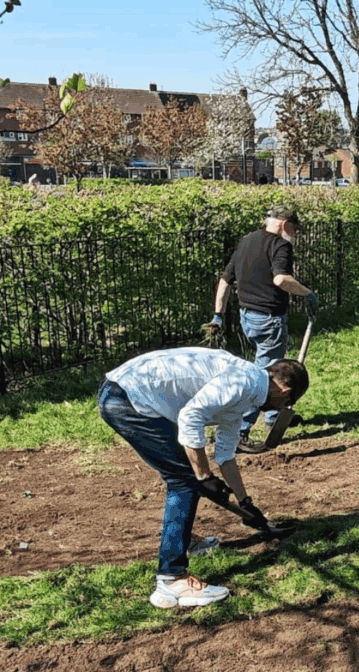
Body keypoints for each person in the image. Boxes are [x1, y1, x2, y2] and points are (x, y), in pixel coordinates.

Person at [98, 351, 309, 608]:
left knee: (186, 475)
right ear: (285, 391)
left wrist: (245, 503)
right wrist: (204, 476)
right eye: (287, 403)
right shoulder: (243, 382)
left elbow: (226, 455)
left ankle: (183, 541)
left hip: (128, 392)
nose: (281, 409)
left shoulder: (244, 392)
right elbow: (191, 417)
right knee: (185, 480)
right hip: (129, 397)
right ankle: (172, 579)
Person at [209, 206, 317, 452]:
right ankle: (240, 431)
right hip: (269, 319)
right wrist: (308, 293)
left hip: (247, 318)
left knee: (267, 369)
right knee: (263, 378)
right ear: (285, 224)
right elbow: (281, 279)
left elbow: (225, 280)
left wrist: (218, 315)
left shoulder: (247, 240)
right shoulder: (280, 246)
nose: (295, 234)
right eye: (295, 229)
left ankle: (273, 417)